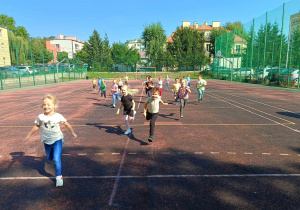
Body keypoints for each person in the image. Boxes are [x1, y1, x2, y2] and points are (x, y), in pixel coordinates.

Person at [25, 94, 77, 187]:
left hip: (57, 139)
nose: (46, 106)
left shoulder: (58, 116)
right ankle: (53, 159)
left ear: (54, 105)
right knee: (49, 158)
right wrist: (29, 134)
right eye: (44, 104)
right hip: (46, 141)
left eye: (49, 104)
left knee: (57, 159)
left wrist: (72, 133)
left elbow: (67, 124)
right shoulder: (41, 117)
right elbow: (37, 126)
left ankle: (59, 176)